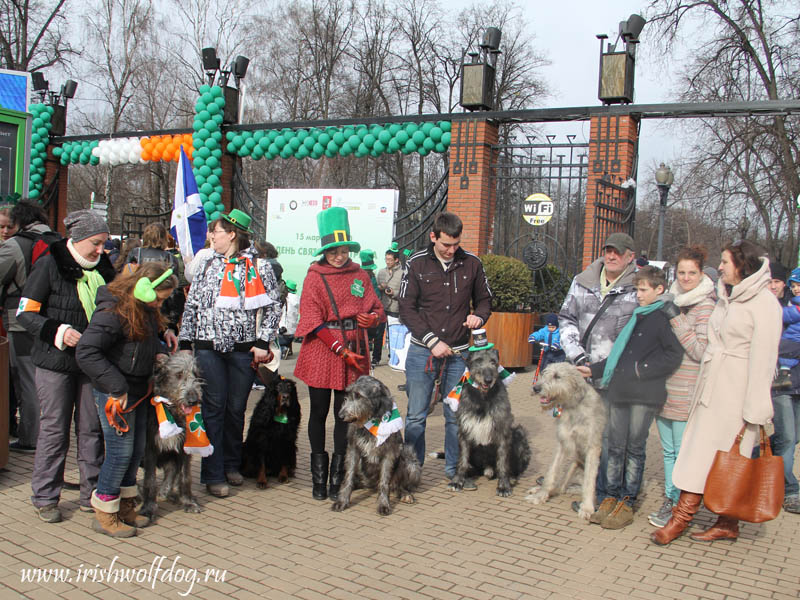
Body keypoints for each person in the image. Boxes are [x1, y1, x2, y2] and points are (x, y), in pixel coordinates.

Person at [651, 240, 782, 545]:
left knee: (730, 462)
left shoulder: (765, 304)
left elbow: (764, 360)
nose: (720, 267)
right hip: (712, 389)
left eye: (725, 262)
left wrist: (755, 410)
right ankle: (690, 519)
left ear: (742, 265)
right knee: (697, 455)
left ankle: (715, 521)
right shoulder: (729, 298)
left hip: (738, 397)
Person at [17, 209, 115, 522]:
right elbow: (26, 313)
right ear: (78, 239)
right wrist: (58, 331)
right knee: (54, 430)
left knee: (91, 429)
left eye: (104, 244)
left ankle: (91, 493)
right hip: (54, 362)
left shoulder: (106, 269)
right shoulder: (48, 265)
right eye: (96, 243)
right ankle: (45, 496)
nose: (101, 250)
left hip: (92, 363)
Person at [178, 209, 281, 498]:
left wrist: (263, 341)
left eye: (217, 231)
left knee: (235, 410)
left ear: (232, 234)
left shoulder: (258, 266)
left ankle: (232, 464)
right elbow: (192, 306)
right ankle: (212, 473)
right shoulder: (206, 264)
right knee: (213, 408)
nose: (212, 236)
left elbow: (274, 306)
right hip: (208, 348)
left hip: (241, 350)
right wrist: (186, 344)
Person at [577, 266, 683, 529]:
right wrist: (594, 369)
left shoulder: (662, 317)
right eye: (637, 289)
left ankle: (627, 499)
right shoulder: (638, 315)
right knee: (614, 446)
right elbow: (621, 356)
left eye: (644, 289)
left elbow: (674, 355)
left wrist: (641, 370)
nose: (638, 294)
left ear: (659, 290)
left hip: (644, 396)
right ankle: (610, 497)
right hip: (620, 392)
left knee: (634, 449)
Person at [76, 263, 177, 537]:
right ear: (144, 287)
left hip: (138, 391)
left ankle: (125, 507)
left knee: (134, 454)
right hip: (116, 394)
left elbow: (142, 340)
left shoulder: (144, 309)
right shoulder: (112, 311)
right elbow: (86, 351)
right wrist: (116, 386)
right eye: (159, 298)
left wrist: (157, 350)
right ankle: (105, 513)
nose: (159, 304)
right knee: (119, 454)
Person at [294, 207, 385, 501]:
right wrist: (338, 349)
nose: (339, 256)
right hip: (323, 350)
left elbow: (377, 308)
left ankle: (338, 477)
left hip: (354, 351)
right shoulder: (314, 277)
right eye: (333, 251)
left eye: (343, 250)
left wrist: (372, 320)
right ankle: (318, 479)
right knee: (319, 412)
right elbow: (311, 319)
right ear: (324, 250)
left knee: (344, 415)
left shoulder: (360, 274)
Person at [398, 211, 491, 481]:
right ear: (433, 237)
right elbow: (406, 308)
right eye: (445, 245)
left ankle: (456, 471)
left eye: (456, 245)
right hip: (421, 352)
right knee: (416, 416)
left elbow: (485, 300)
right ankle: (410, 473)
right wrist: (432, 341)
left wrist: (479, 316)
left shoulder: (472, 263)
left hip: (459, 354)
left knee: (455, 416)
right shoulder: (416, 263)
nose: (451, 250)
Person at [559, 231, 639, 511]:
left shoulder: (638, 286)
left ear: (630, 256)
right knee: (586, 435)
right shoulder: (582, 282)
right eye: (608, 250)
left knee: (615, 439)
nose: (611, 255)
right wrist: (577, 356)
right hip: (583, 375)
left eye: (618, 252)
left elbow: (639, 335)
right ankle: (593, 489)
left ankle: (616, 495)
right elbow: (566, 319)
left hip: (617, 377)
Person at [648, 246, 716, 527]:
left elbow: (701, 351)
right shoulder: (669, 298)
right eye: (682, 272)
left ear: (701, 274)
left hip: (686, 390)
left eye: (693, 273)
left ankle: (679, 505)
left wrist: (675, 318)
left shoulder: (706, 305)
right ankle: (670, 498)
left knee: (681, 452)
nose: (686, 278)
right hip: (662, 387)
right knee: (667, 452)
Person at [0, 201, 59, 453]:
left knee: (25, 380)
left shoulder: (15, 245)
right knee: (43, 380)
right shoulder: (57, 241)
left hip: (20, 320)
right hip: (52, 321)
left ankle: (29, 438)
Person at [767, 262, 800, 513]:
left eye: (777, 281)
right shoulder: (766, 309)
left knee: (793, 436)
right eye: (769, 281)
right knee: (787, 436)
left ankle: (759, 453)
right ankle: (789, 489)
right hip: (778, 382)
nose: (773, 285)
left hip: (797, 379)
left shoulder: (791, 304)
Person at [377, 242, 408, 371]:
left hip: (395, 308)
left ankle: (393, 357)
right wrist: (381, 288)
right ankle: (376, 357)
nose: (388, 262)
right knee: (379, 334)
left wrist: (393, 293)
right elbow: (377, 288)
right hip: (383, 307)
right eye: (386, 259)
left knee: (394, 335)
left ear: (396, 260)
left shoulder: (402, 273)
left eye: (390, 260)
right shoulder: (381, 272)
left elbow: (405, 292)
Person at [774, 267, 800, 388]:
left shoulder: (796, 305)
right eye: (793, 286)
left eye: (798, 285)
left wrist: (777, 312)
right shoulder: (794, 301)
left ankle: (784, 376)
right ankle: (784, 375)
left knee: (783, 349)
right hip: (793, 337)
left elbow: (787, 315)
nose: (796, 289)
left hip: (793, 338)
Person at [359, 249, 384, 367]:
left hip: (376, 314)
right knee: (364, 339)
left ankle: (375, 359)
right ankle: (364, 359)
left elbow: (376, 298)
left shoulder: (374, 278)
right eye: (366, 270)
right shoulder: (359, 279)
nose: (368, 272)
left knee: (378, 338)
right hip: (364, 315)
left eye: (369, 270)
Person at [278, 279, 299, 359]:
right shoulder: (297, 298)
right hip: (293, 332)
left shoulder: (285, 298)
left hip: (284, 332)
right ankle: (288, 349)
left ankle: (283, 349)